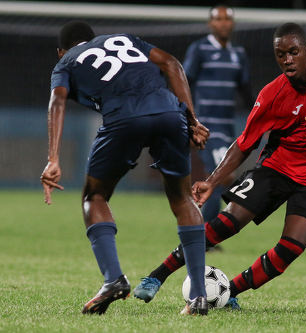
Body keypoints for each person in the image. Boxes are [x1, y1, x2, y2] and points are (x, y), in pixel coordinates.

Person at [133, 22, 306, 309]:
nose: (287, 60)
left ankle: (228, 292)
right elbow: (244, 144)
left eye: (293, 52)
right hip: (278, 167)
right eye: (280, 54)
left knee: (292, 247)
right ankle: (157, 276)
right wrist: (212, 181)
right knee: (229, 222)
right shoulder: (271, 95)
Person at [40, 21, 210, 315]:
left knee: (94, 196)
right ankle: (198, 297)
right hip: (170, 112)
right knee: (181, 197)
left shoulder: (65, 62)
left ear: (60, 51)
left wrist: (53, 158)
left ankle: (113, 279)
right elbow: (171, 63)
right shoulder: (124, 39)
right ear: (94, 39)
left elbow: (57, 99)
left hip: (124, 117)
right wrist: (193, 121)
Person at [184, 4, 253, 224]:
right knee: (218, 175)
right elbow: (185, 82)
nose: (223, 23)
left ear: (232, 24)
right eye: (218, 19)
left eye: (227, 19)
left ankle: (206, 231)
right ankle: (206, 231)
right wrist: (189, 119)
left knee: (219, 176)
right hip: (206, 126)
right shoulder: (199, 49)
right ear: (210, 23)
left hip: (227, 127)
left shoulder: (238, 54)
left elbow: (246, 91)